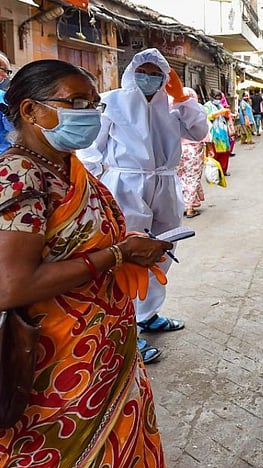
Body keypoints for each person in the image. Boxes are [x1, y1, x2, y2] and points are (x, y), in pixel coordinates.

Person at [0, 59, 175, 468]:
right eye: (73, 102)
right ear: (30, 111)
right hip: (57, 368)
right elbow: (12, 285)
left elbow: (79, 242)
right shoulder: (20, 174)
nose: (89, 113)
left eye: (93, 103)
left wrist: (126, 243)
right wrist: (118, 254)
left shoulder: (69, 168)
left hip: (106, 354)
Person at [78, 48, 209, 336]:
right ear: (131, 73)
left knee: (162, 248)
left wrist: (183, 98)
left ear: (165, 77)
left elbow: (199, 133)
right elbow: (90, 145)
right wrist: (98, 180)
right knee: (127, 252)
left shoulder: (173, 106)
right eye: (143, 73)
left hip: (164, 184)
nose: (148, 79)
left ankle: (147, 315)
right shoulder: (112, 101)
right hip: (125, 185)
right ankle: (127, 329)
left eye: (155, 74)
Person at [176, 87, 206, 218]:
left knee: (180, 178)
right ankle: (189, 207)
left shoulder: (173, 110)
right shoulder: (197, 111)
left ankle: (181, 204)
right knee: (192, 178)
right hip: (193, 150)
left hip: (177, 150)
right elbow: (204, 133)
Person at [205, 89, 233, 176]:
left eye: (220, 97)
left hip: (223, 132)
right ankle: (214, 172)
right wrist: (217, 113)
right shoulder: (207, 106)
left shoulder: (221, 106)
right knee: (214, 153)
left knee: (225, 152)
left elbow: (226, 118)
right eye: (217, 97)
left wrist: (227, 116)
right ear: (212, 97)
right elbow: (206, 118)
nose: (218, 99)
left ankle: (223, 170)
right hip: (213, 133)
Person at [0, 51, 14, 153]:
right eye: (4, 70)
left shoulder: (4, 98)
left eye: (8, 72)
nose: (5, 77)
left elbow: (15, 131)